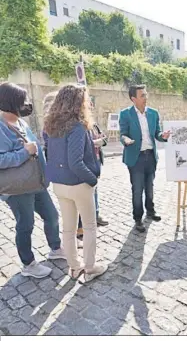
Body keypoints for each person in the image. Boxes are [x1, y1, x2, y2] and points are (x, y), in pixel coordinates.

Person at [0, 82, 66, 278]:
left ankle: (55, 248)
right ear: (11, 102)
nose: (27, 104)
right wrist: (24, 152)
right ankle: (28, 263)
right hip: (18, 188)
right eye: (23, 101)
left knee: (52, 215)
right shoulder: (1, 127)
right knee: (25, 224)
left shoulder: (21, 123)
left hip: (36, 183)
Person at [44, 84, 107, 282]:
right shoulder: (78, 126)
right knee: (89, 226)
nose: (88, 103)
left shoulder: (51, 125)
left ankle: (73, 268)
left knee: (69, 228)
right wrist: (92, 179)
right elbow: (75, 162)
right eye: (85, 100)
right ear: (78, 102)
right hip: (78, 183)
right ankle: (89, 267)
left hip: (59, 184)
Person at [119, 84, 170, 232]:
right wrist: (126, 140)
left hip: (150, 156)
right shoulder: (126, 114)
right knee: (137, 189)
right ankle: (137, 218)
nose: (145, 98)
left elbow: (157, 134)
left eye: (146, 95)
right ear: (133, 98)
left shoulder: (153, 113)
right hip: (136, 158)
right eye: (142, 95)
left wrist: (163, 136)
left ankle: (150, 211)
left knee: (149, 187)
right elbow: (123, 134)